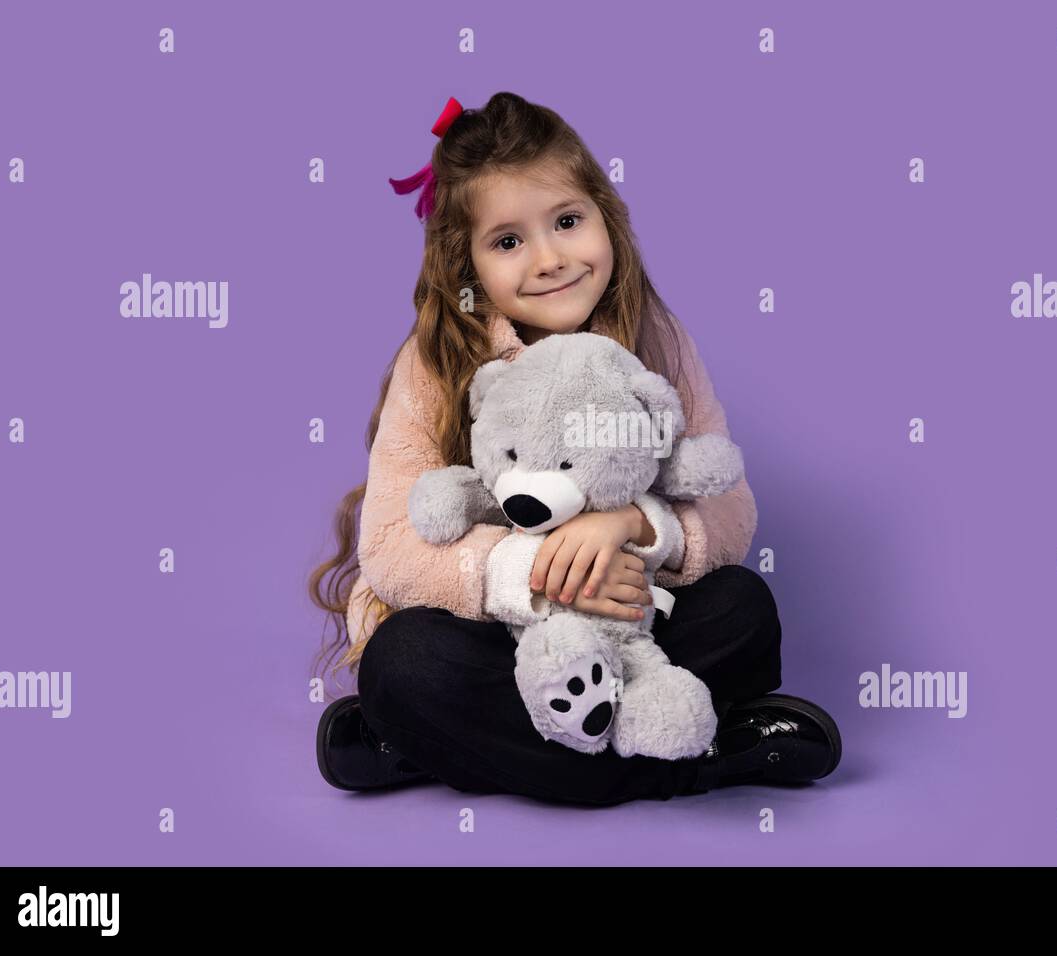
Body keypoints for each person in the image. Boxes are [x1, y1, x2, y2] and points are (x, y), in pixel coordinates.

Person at [308, 92, 840, 806]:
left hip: (629, 628)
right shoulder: (435, 362)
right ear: (466, 267)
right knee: (405, 664)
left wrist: (635, 526)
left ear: (605, 216)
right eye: (507, 241)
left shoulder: (658, 338)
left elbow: (731, 511)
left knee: (744, 609)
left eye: (566, 221)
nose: (550, 259)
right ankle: (709, 756)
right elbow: (393, 548)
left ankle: (440, 751)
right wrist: (533, 570)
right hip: (499, 637)